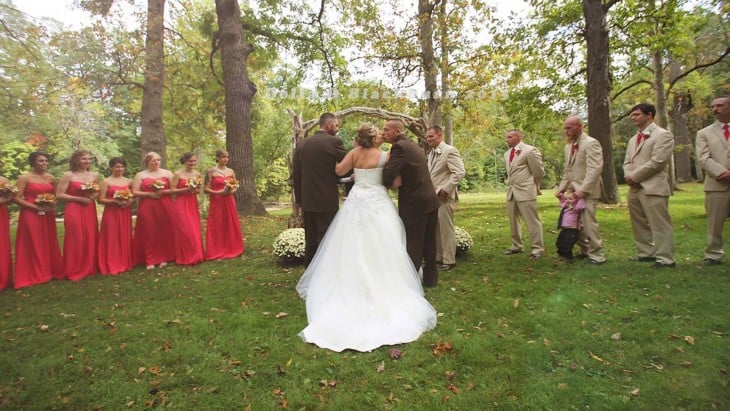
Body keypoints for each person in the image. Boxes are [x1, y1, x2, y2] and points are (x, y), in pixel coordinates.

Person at [296, 123, 437, 352]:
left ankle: (349, 283)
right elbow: (398, 182)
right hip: (378, 203)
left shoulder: (353, 153)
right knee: (384, 245)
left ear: (358, 138)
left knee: (351, 245)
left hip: (356, 201)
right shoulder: (385, 155)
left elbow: (338, 171)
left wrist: (356, 172)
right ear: (374, 139)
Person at [382, 119, 441, 287]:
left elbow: (389, 173)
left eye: (387, 129)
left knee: (413, 242)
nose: (383, 132)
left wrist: (376, 178)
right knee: (429, 242)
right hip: (429, 199)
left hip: (415, 202)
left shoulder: (399, 147)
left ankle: (411, 281)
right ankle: (430, 280)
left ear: (397, 131)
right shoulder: (412, 144)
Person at [623, 103, 676, 268]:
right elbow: (627, 161)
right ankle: (646, 253)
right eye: (632, 115)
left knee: (659, 223)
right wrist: (628, 175)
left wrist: (636, 176)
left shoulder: (663, 135)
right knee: (638, 222)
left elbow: (658, 161)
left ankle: (665, 258)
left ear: (649, 115)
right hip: (635, 187)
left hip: (653, 186)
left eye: (637, 114)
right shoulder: (633, 139)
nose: (633, 117)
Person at [291, 112, 346, 266]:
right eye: (336, 124)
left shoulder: (302, 144)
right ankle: (327, 270)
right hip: (327, 199)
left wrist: (300, 200)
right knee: (328, 235)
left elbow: (296, 174)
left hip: (308, 199)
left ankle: (310, 270)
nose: (337, 128)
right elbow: (347, 167)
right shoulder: (334, 142)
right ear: (328, 125)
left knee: (311, 237)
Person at [556, 116, 607, 265]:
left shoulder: (591, 143)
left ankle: (598, 256)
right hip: (573, 191)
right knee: (572, 223)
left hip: (588, 191)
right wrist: (561, 189)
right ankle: (585, 250)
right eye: (565, 128)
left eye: (569, 127)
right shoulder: (569, 146)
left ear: (580, 126)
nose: (566, 131)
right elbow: (568, 170)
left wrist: (583, 191)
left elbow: (595, 169)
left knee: (589, 224)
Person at [13, 151, 64, 288]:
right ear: (33, 162)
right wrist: (35, 207)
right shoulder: (25, 178)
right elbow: (16, 198)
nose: (44, 164)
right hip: (30, 213)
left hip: (47, 213)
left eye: (46, 161)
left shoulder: (51, 178)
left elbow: (57, 195)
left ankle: (50, 270)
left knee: (48, 240)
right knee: (33, 241)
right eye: (41, 161)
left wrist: (51, 204)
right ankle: (33, 272)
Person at [695, 95, 730, 266]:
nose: (715, 109)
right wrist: (722, 173)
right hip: (717, 184)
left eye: (720, 105)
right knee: (715, 222)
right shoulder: (704, 133)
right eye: (714, 106)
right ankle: (713, 254)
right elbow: (703, 158)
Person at [56, 149, 100, 281]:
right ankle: (74, 268)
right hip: (74, 207)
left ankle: (90, 267)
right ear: (76, 160)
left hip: (89, 208)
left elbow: (97, 191)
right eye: (84, 159)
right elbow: (59, 194)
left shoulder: (94, 175)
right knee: (76, 237)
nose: (87, 161)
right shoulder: (68, 175)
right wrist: (78, 199)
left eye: (89, 159)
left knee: (90, 236)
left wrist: (92, 195)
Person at [426, 125, 465, 270]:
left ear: (440, 135)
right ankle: (439, 257)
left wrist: (446, 189)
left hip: (444, 197)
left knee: (446, 228)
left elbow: (459, 172)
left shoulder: (450, 151)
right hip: (433, 196)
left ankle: (449, 260)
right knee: (436, 228)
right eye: (427, 136)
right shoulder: (431, 153)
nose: (428, 139)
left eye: (431, 136)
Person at [502, 129, 545, 260]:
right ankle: (516, 246)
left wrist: (532, 186)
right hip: (511, 192)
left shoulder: (530, 150)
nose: (507, 140)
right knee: (513, 221)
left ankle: (537, 248)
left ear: (519, 136)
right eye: (506, 137)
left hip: (525, 190)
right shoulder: (507, 153)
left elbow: (539, 172)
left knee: (532, 221)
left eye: (510, 137)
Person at [132, 151, 177, 269]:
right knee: (149, 231)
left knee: (165, 230)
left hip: (165, 204)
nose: (156, 162)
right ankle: (150, 259)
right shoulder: (140, 175)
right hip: (147, 205)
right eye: (154, 160)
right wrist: (150, 194)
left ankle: (165, 257)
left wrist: (162, 192)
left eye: (158, 160)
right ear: (148, 162)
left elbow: (174, 189)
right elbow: (135, 192)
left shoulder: (167, 173)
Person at [97, 157, 135, 275]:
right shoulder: (106, 182)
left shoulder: (129, 181)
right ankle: (111, 262)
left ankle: (124, 261)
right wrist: (115, 201)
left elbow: (133, 197)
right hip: (111, 212)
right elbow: (100, 199)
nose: (120, 169)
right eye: (117, 167)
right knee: (111, 236)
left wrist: (128, 202)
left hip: (125, 212)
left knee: (124, 235)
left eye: (122, 167)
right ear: (111, 168)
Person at [204, 149, 244, 260]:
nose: (225, 159)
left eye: (227, 157)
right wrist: (217, 192)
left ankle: (232, 247)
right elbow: (205, 189)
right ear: (217, 158)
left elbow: (235, 186)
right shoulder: (211, 171)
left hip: (229, 200)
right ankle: (216, 249)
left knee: (230, 222)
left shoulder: (231, 171)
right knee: (217, 224)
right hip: (216, 201)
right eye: (222, 157)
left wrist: (231, 191)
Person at [171, 152, 204, 265]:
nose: (193, 163)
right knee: (185, 229)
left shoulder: (197, 174)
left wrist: (195, 189)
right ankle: (185, 255)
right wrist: (185, 189)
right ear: (185, 161)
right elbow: (172, 190)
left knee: (194, 229)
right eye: (190, 161)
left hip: (192, 202)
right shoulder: (178, 174)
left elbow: (198, 190)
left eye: (194, 161)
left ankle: (196, 255)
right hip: (180, 203)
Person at [556, 186, 585, 262]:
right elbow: (562, 202)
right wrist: (560, 196)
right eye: (567, 198)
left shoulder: (576, 208)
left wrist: (581, 198)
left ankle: (568, 258)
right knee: (559, 243)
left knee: (567, 244)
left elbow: (581, 206)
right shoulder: (566, 206)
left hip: (572, 230)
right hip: (564, 229)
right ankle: (561, 256)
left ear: (576, 200)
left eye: (570, 199)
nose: (568, 200)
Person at [0, 161, 12, 290]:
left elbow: (10, 197)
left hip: (1, 213)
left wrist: (6, 199)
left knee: (2, 242)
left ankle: (4, 277)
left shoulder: (4, 180)